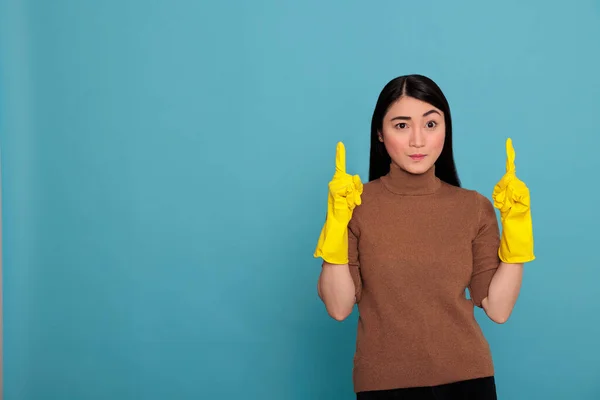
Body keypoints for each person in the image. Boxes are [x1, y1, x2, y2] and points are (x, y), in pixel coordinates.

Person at [314, 74, 535, 400]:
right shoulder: (354, 205)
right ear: (380, 133)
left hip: (469, 379)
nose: (417, 140)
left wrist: (517, 228)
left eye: (430, 125)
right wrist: (336, 224)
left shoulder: (474, 207)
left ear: (446, 130)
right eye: (401, 125)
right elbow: (338, 306)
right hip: (384, 385)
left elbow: (498, 309)